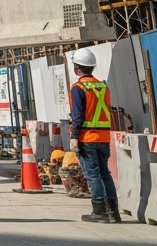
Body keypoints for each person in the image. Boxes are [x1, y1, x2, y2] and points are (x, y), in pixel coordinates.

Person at [70, 48, 120, 223]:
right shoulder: (102, 86)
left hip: (87, 138)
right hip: (103, 138)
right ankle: (113, 212)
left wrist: (74, 136)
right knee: (105, 173)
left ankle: (99, 211)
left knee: (93, 175)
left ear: (77, 68)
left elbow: (78, 115)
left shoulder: (79, 88)